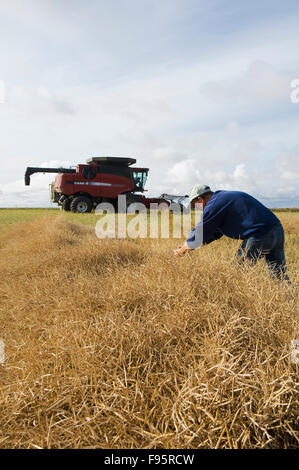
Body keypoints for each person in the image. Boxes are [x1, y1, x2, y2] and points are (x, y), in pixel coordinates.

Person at [174, 184, 291, 283]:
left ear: (200, 200)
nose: (198, 209)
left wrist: (183, 249)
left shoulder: (214, 204)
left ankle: (235, 304)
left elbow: (202, 230)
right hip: (277, 230)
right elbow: (214, 232)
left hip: (260, 234)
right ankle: (290, 299)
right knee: (279, 275)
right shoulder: (222, 199)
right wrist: (190, 246)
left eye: (196, 205)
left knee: (236, 272)